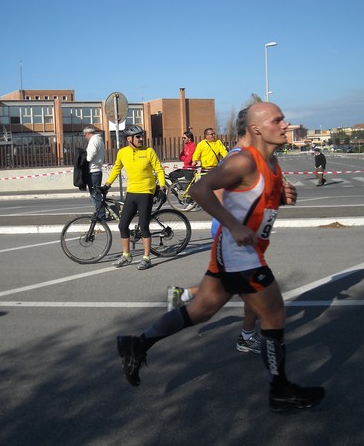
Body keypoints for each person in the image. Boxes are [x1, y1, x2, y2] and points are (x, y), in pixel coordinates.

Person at [116, 102, 325, 412]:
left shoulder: (272, 163)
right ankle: (279, 390)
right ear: (256, 129)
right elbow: (200, 189)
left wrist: (283, 194)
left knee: (200, 311)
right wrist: (233, 225)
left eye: (283, 119)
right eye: (277, 120)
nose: (285, 125)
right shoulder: (244, 161)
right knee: (274, 313)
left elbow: (259, 197)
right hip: (240, 254)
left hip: (238, 251)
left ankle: (138, 343)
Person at [167, 108, 261, 354]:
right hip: (231, 233)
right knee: (254, 289)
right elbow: (213, 192)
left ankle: (183, 296)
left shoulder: (238, 154)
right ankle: (246, 336)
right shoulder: (239, 158)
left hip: (234, 232)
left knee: (229, 286)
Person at [102, 125, 167, 270]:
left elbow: (159, 169)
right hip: (132, 192)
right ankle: (126, 255)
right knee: (122, 225)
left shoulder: (148, 151)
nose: (141, 139)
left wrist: (162, 188)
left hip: (146, 192)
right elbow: (116, 169)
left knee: (144, 225)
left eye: (141, 136)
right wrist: (106, 185)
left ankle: (146, 258)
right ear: (128, 139)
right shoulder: (122, 152)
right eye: (138, 136)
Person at [84, 125, 105, 215]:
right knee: (96, 194)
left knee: (95, 194)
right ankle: (100, 212)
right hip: (97, 169)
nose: (85, 137)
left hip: (93, 170)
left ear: (88, 133)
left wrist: (85, 159)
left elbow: (90, 157)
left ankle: (100, 214)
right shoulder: (99, 140)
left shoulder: (93, 140)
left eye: (85, 135)